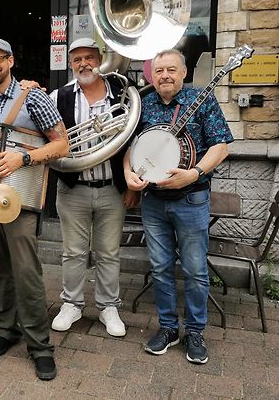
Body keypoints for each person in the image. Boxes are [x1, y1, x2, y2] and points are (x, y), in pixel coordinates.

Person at [123, 49, 233, 364]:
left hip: (192, 198)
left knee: (196, 271)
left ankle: (195, 332)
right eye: (159, 71)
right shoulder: (144, 105)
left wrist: (194, 174)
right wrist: (128, 173)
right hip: (154, 201)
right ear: (151, 75)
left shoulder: (201, 99)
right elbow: (129, 147)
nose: (165, 76)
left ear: (183, 73)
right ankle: (168, 328)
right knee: (159, 268)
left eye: (171, 69)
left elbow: (220, 145)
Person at [0, 38, 68, 381]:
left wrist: (23, 157)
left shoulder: (33, 96)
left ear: (11, 60)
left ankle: (40, 346)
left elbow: (62, 144)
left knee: (26, 272)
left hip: (19, 200)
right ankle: (7, 328)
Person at [49, 37, 137, 337]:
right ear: (70, 63)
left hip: (112, 187)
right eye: (77, 59)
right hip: (73, 188)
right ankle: (71, 304)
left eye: (89, 57)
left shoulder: (121, 94)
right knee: (73, 252)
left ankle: (108, 306)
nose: (83, 64)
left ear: (100, 58)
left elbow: (130, 141)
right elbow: (37, 131)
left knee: (109, 252)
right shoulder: (56, 96)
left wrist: (131, 184)